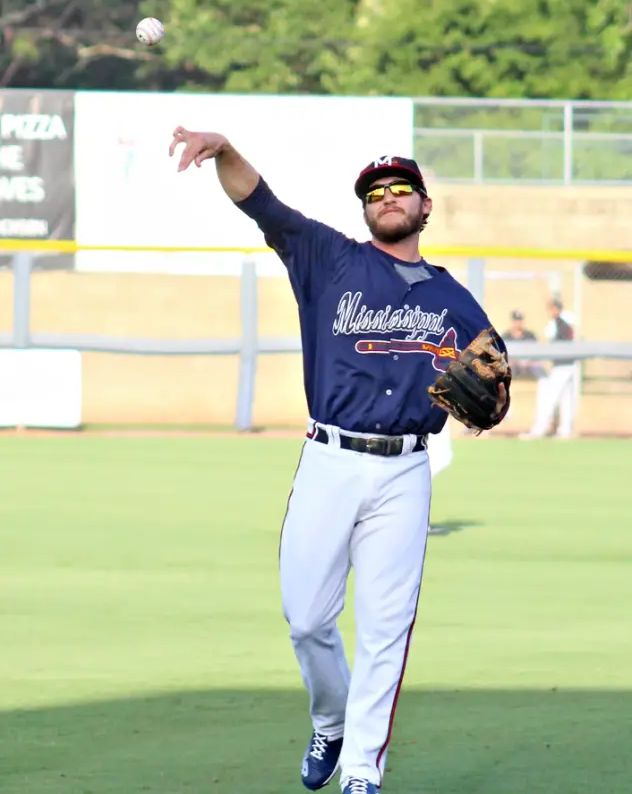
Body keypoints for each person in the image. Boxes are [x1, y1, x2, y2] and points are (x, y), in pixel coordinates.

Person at [168, 129, 511, 794]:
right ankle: (331, 720)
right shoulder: (329, 259)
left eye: (399, 188)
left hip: (405, 470)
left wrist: (488, 398)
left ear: (425, 206)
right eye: (374, 192)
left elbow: (490, 380)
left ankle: (361, 771)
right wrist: (225, 149)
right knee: (307, 618)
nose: (386, 197)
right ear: (365, 210)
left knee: (386, 629)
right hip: (329, 458)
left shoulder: (452, 298)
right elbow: (260, 203)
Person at [521, 298, 576, 439]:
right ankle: (565, 431)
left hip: (563, 365)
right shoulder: (567, 319)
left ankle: (539, 429)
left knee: (549, 397)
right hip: (569, 364)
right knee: (565, 399)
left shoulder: (561, 321)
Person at [502, 310, 546, 381]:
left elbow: (536, 352)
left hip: (528, 363)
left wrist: (529, 361)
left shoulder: (530, 335)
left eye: (520, 320)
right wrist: (513, 361)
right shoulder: (506, 336)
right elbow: (502, 354)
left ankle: (545, 387)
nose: (518, 323)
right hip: (513, 364)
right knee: (505, 370)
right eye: (516, 320)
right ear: (512, 321)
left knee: (539, 368)